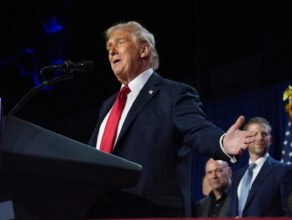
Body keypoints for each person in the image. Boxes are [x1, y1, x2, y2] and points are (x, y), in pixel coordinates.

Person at [87, 21, 255, 218]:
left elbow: (198, 130)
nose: (112, 51)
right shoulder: (108, 106)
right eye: (109, 48)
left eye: (120, 43)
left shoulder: (173, 94)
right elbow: (92, 157)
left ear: (144, 49)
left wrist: (222, 142)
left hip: (151, 211)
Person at [228, 117, 292, 217]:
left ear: (270, 140)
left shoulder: (284, 171)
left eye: (264, 134)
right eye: (254, 134)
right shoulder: (237, 176)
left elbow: (289, 215)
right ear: (246, 139)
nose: (260, 138)